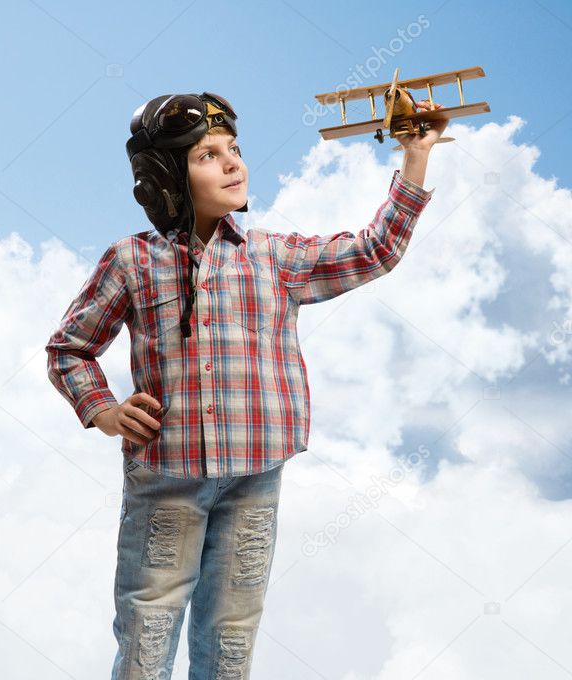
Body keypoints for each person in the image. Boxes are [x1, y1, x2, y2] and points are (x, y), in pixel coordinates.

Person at [45, 92, 445, 679]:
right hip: (168, 481)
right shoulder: (131, 261)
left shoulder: (274, 257)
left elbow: (375, 250)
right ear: (165, 177)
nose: (233, 163)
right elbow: (69, 350)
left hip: (256, 476)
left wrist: (415, 157)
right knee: (148, 625)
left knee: (231, 631)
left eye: (234, 149)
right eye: (208, 155)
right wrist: (104, 410)